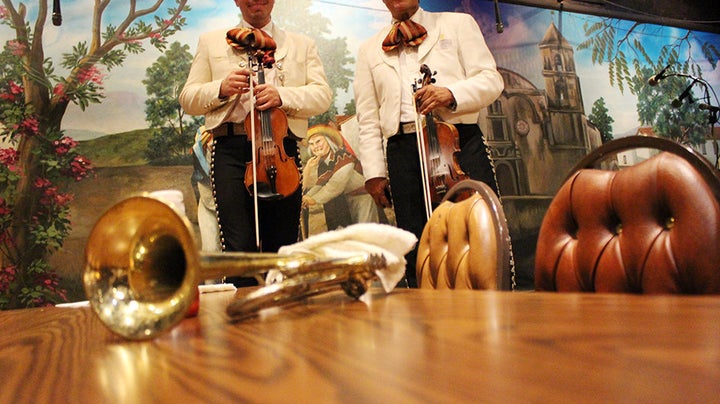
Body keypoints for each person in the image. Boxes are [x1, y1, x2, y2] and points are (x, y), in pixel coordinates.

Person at [179, 0, 332, 286]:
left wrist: (283, 96)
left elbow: (322, 95)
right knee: (239, 248)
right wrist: (220, 88)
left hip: (280, 147)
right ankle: (243, 325)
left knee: (282, 246)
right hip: (230, 149)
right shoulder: (210, 41)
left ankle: (281, 323)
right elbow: (188, 98)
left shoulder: (302, 44)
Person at [353, 0, 504, 287]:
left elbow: (491, 80)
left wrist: (451, 93)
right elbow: (368, 117)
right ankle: (424, 324)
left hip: (458, 142)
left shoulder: (458, 24)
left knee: (478, 234)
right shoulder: (368, 49)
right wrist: (374, 173)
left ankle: (490, 316)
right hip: (402, 150)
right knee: (417, 244)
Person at [301, 125, 378, 237]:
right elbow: (321, 184)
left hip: (363, 199)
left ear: (329, 141)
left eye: (318, 141)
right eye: (312, 144)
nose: (315, 147)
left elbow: (335, 186)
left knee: (366, 235)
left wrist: (313, 199)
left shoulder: (343, 157)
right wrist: (306, 197)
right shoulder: (323, 163)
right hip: (347, 200)